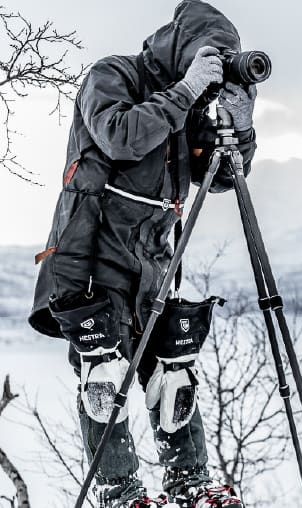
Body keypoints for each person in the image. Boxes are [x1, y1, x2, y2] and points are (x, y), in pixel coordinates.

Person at [27, 1, 257, 506]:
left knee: (173, 372)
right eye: (209, 56)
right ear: (182, 51)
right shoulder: (112, 76)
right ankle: (121, 491)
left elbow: (218, 176)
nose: (215, 66)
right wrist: (188, 90)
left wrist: (240, 124)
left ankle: (190, 484)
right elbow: (120, 137)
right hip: (92, 256)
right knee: (104, 375)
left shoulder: (187, 102)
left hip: (154, 265)